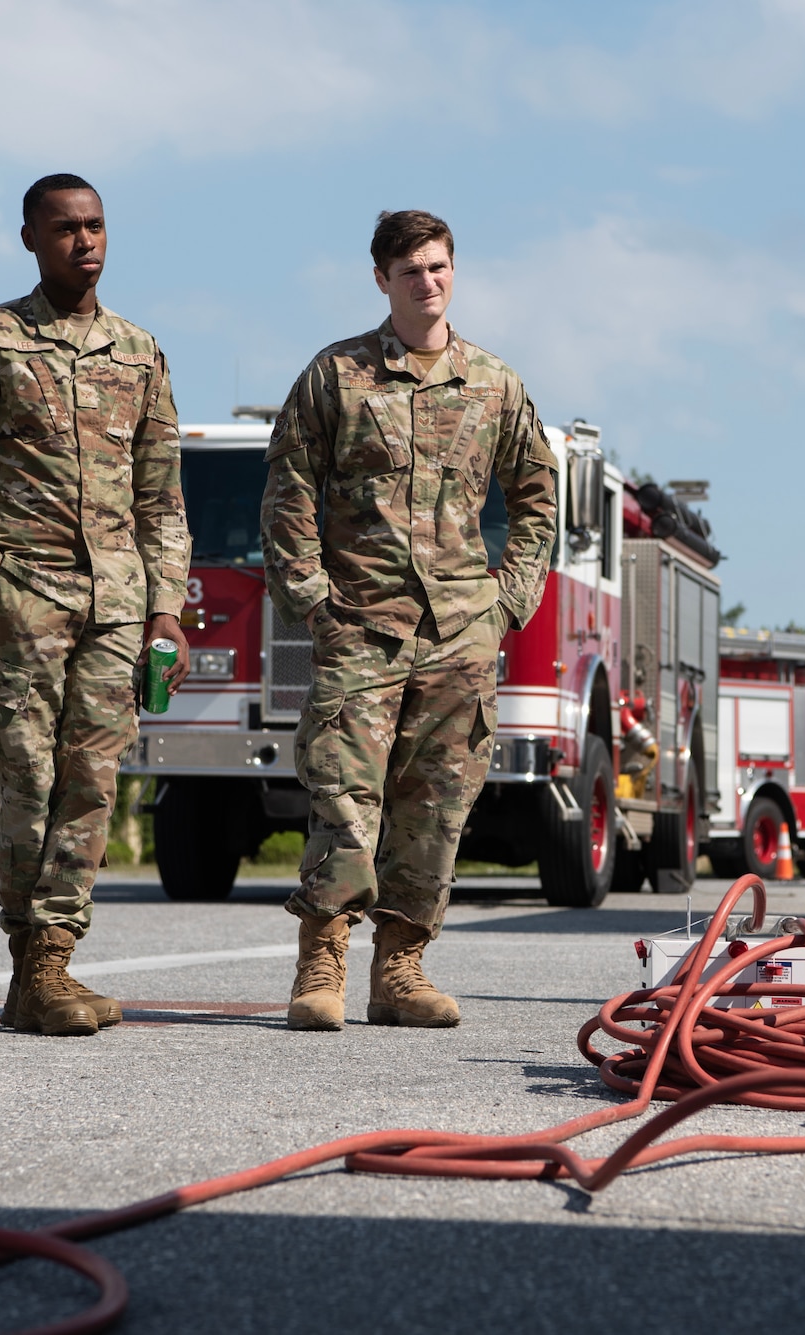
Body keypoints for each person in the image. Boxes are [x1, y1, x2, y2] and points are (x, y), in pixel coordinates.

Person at [261, 210, 558, 1031]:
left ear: (453, 271)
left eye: (438, 267)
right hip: (360, 623)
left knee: (436, 808)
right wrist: (312, 598)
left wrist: (509, 601)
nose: (426, 282)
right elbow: (287, 489)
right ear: (381, 279)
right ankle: (320, 964)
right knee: (344, 798)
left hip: (461, 630)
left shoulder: (495, 384)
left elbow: (538, 493)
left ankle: (400, 969)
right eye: (409, 270)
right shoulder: (337, 375)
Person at [0, 173, 191, 1038]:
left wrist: (165, 613)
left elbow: (162, 499)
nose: (85, 241)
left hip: (118, 608)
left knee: (92, 785)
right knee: (30, 780)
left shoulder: (140, 353)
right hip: (25, 598)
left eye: (97, 226)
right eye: (66, 228)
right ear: (32, 239)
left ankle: (50, 966)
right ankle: (29, 966)